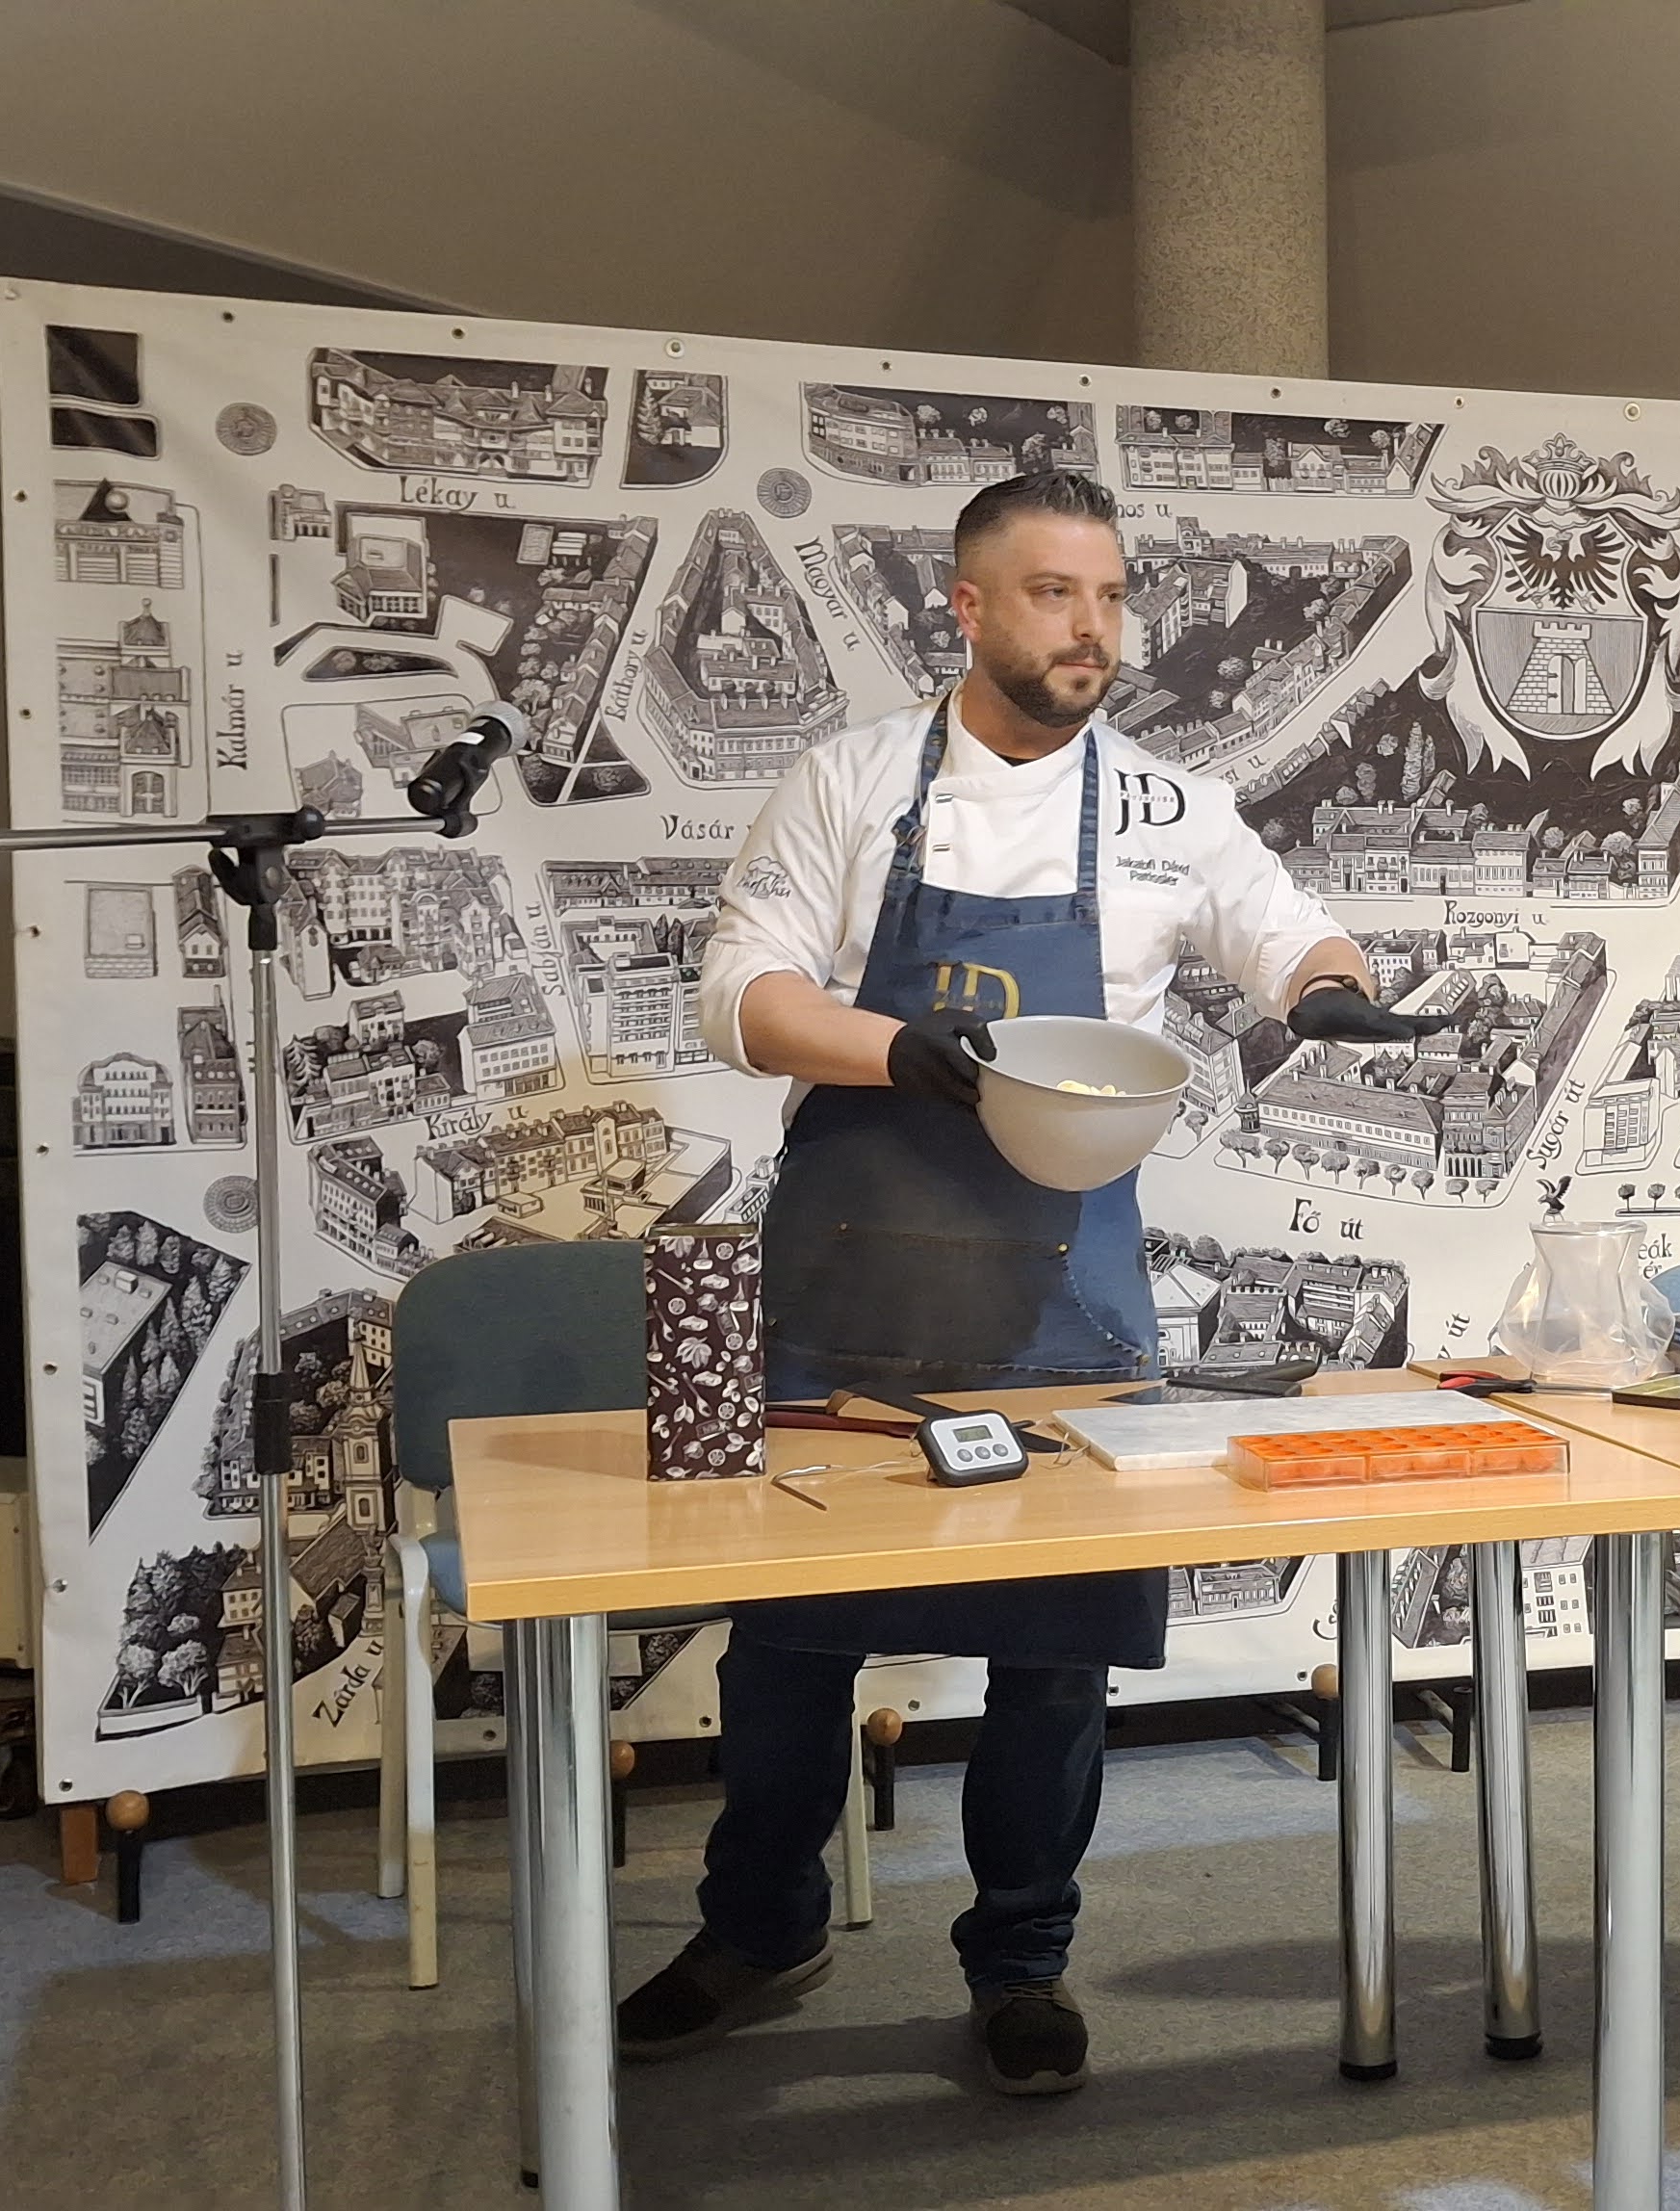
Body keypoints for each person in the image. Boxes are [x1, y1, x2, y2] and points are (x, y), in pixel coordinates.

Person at [618, 469, 1442, 2095]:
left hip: (1067, 1292)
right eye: (1057, 593)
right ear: (969, 606)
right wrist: (897, 1049)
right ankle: (760, 1926)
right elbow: (741, 992)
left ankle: (1021, 1959)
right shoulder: (851, 780)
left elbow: (1287, 933)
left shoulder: (1166, 808)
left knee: (1056, 1658)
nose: (1094, 627)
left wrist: (1331, 991)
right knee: (789, 1644)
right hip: (850, 1279)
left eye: (1113, 595)